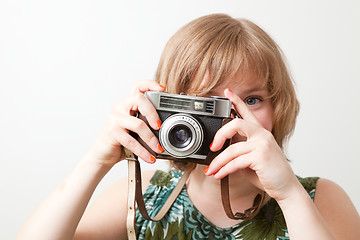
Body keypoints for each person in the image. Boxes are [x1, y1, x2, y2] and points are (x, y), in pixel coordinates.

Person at [16, 14, 360, 240]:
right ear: (170, 110)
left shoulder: (318, 198)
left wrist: (288, 193)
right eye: (207, 104)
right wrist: (96, 161)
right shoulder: (145, 196)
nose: (231, 120)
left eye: (251, 100)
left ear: (278, 106)